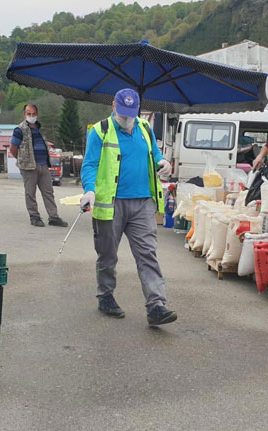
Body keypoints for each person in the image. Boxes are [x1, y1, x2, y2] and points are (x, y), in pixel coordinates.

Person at [80, 88, 176, 326]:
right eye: (123, 115)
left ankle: (156, 306)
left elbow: (154, 153)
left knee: (147, 255)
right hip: (110, 204)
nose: (127, 120)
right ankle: (105, 297)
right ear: (113, 106)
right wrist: (89, 190)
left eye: (131, 115)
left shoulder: (144, 128)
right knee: (107, 255)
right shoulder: (100, 131)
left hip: (142, 202)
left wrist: (162, 161)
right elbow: (90, 164)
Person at [10, 104, 67, 228]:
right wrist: (22, 160)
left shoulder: (39, 128)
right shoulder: (19, 130)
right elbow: (13, 148)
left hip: (43, 165)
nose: (31, 116)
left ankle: (53, 217)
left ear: (37, 114)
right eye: (29, 114)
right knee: (30, 192)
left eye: (33, 114)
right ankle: (34, 216)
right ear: (24, 115)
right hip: (29, 167)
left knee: (48, 192)